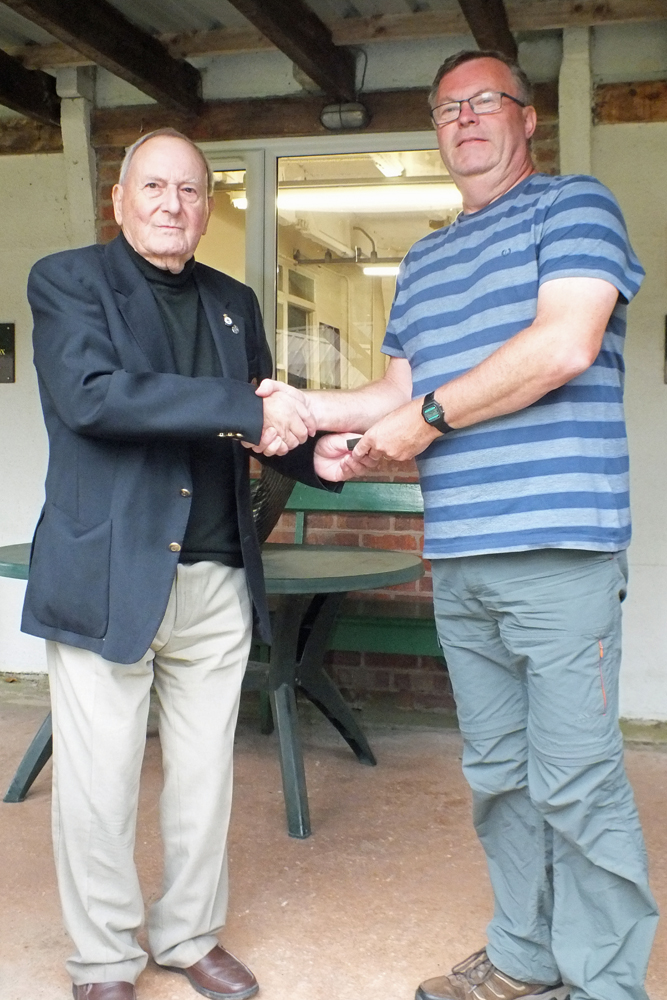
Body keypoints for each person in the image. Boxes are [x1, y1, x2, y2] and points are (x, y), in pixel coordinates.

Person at [258, 50, 658, 1000]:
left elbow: (563, 343)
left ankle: (603, 984)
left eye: (485, 102)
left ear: (527, 121)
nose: (465, 118)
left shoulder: (574, 206)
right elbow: (395, 388)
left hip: (557, 543)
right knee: (499, 774)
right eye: (446, 109)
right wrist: (318, 416)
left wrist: (423, 421)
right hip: (463, 551)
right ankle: (523, 957)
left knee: (575, 778)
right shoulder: (428, 258)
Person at [21, 128, 338, 1000]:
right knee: (100, 783)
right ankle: (104, 961)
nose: (171, 204)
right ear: (119, 202)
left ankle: (189, 935)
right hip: (108, 572)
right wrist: (246, 408)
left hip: (215, 576)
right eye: (153, 188)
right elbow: (95, 398)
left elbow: (260, 425)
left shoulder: (234, 301)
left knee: (205, 776)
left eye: (190, 191)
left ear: (207, 208)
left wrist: (325, 458)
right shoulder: (67, 281)